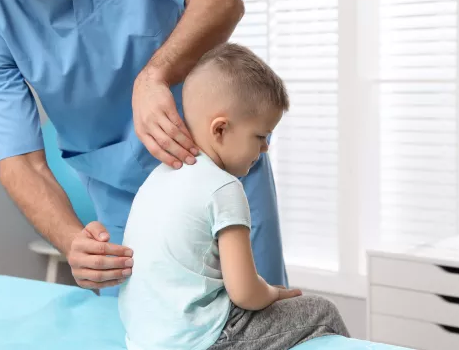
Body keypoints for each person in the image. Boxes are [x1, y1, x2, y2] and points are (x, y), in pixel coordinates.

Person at [0, 0, 288, 293]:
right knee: (142, 328)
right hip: (122, 198)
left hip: (222, 168)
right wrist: (73, 243)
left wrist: (154, 75)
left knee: (262, 322)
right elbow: (21, 163)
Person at [118, 43, 349, 350]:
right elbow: (244, 293)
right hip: (202, 340)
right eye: (261, 136)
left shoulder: (158, 177)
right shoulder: (223, 187)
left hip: (144, 339)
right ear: (221, 130)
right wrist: (273, 293)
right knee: (322, 314)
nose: (266, 148)